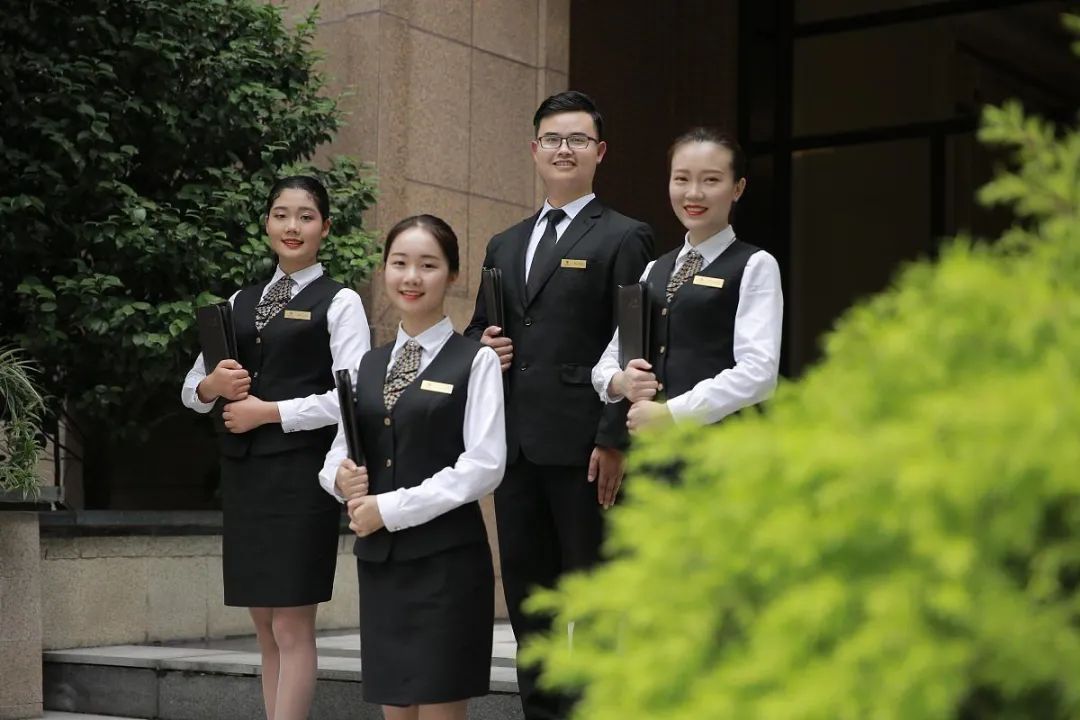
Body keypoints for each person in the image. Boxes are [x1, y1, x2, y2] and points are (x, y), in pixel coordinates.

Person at [464, 90, 654, 720]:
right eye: (552, 138)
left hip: (586, 451)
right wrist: (482, 346)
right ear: (534, 149)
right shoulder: (504, 243)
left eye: (577, 139)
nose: (563, 149)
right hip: (516, 449)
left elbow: (635, 344)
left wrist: (614, 438)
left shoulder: (626, 236)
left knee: (595, 603)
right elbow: (478, 329)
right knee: (530, 603)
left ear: (600, 152)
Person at [181, 176, 370, 720]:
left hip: (301, 477)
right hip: (246, 478)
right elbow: (193, 388)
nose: (293, 226)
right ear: (266, 223)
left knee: (291, 623)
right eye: (281, 215)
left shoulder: (341, 301)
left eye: (306, 216)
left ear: (325, 228)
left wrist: (269, 412)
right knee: (263, 624)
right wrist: (211, 386)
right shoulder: (239, 302)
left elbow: (351, 394)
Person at [319, 214, 506, 720]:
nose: (411, 277)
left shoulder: (476, 361)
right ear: (384, 270)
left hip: (447, 565)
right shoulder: (368, 364)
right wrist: (338, 477)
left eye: (428, 265)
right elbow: (340, 449)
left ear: (452, 275)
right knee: (396, 712)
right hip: (383, 567)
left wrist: (390, 508)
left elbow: (484, 465)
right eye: (399, 263)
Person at [592, 127, 783, 431]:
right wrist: (620, 381)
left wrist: (674, 413)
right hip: (653, 449)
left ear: (738, 188)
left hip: (720, 447)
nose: (694, 193)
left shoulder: (755, 265)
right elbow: (610, 358)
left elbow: (758, 373)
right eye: (681, 179)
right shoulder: (653, 269)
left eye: (711, 180)